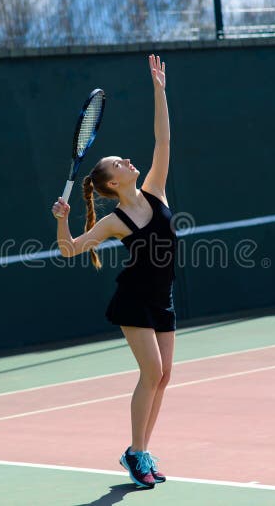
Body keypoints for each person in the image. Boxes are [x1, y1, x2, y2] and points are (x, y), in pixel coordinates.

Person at [51, 54, 175, 489]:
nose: (128, 161)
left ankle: (139, 449)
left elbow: (163, 142)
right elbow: (69, 251)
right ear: (112, 183)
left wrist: (159, 91)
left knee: (164, 377)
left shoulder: (155, 191)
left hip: (163, 300)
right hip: (134, 302)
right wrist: (62, 219)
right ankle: (136, 454)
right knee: (151, 372)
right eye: (120, 163)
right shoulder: (114, 222)